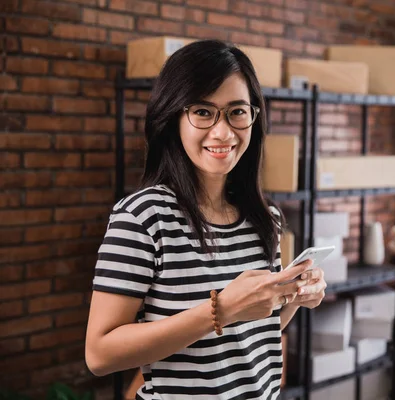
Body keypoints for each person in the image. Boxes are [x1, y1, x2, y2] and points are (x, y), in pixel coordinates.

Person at [85, 39, 328, 400]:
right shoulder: (142, 217)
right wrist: (222, 308)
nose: (223, 132)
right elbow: (100, 354)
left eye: (237, 112)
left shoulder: (266, 217)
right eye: (202, 111)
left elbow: (251, 336)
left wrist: (292, 296)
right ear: (174, 117)